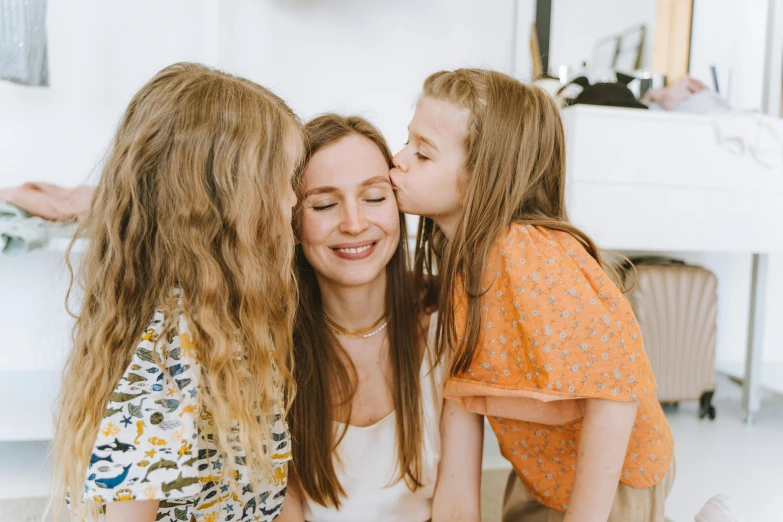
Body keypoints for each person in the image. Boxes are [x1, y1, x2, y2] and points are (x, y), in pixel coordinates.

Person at [391, 68, 675, 522]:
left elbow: (616, 388)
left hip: (613, 481)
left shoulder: (526, 254)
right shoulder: (466, 263)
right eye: (407, 141)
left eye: (422, 155)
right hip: (542, 471)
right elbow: (464, 400)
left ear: (485, 176)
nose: (399, 159)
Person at [51, 62, 304, 522]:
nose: (294, 199)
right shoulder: (175, 343)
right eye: (286, 180)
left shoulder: (230, 320)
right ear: (230, 201)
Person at [278, 114, 483, 522]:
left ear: (398, 206)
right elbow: (286, 509)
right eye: (324, 204)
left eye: (374, 198)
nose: (354, 225)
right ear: (293, 221)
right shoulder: (272, 338)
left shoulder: (451, 321)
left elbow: (458, 507)